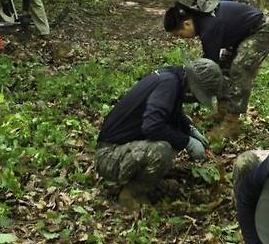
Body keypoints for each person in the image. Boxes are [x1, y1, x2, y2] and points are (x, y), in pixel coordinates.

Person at [95, 58, 223, 211]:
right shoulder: (168, 85)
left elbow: (170, 113)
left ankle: (143, 179)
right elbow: (152, 127)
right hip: (109, 155)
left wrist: (189, 129)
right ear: (194, 86)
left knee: (169, 141)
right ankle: (130, 195)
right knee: (162, 150)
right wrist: (187, 142)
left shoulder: (172, 77)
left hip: (121, 147)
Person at [163, 0, 269, 138]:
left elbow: (209, 68)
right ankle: (223, 110)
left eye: (180, 34)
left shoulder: (208, 27)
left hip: (261, 30)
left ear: (187, 23)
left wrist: (193, 89)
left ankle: (232, 122)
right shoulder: (201, 20)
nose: (183, 38)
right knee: (223, 65)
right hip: (240, 34)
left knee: (239, 69)